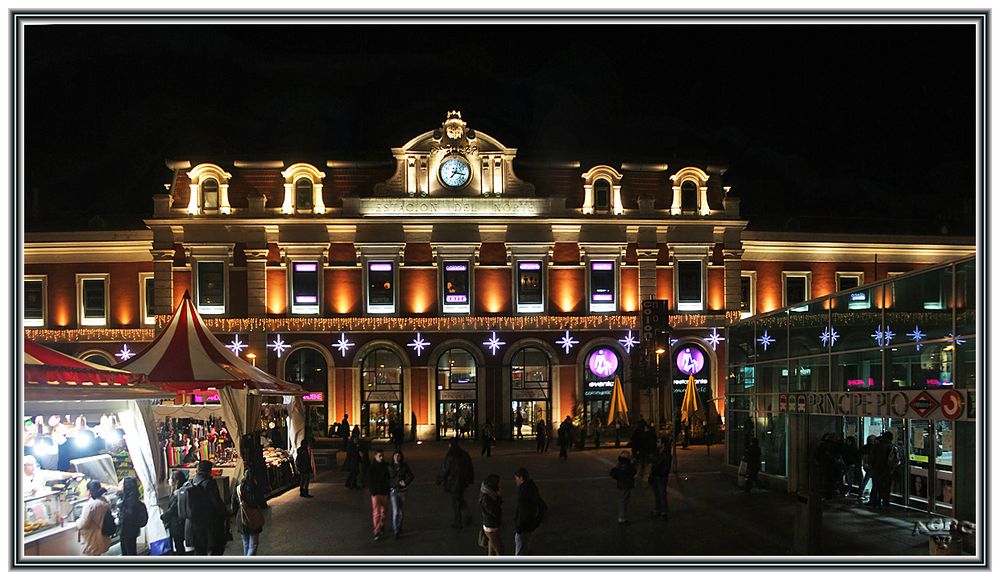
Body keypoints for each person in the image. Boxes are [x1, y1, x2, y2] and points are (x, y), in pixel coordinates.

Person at [184, 460, 229, 556]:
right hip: (208, 525)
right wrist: (226, 514)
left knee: (200, 552)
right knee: (216, 550)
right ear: (209, 470)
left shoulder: (190, 482)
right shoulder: (209, 483)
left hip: (191, 525)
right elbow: (217, 503)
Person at [436, 438, 475, 529]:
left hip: (453, 482)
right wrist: (470, 479)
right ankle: (465, 515)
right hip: (463, 482)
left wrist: (439, 479)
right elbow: (470, 467)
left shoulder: (450, 455)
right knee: (460, 498)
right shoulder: (464, 454)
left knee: (456, 502)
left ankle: (459, 521)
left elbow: (445, 469)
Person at [230, 470, 267, 555]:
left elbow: (233, 507)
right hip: (254, 517)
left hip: (241, 517)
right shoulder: (256, 489)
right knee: (253, 544)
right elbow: (263, 504)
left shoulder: (238, 489)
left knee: (246, 543)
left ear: (243, 476)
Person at [513, 467, 545, 555]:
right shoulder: (532, 487)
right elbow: (542, 506)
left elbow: (524, 512)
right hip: (530, 526)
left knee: (520, 550)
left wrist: (519, 527)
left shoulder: (523, 491)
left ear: (521, 478)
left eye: (516, 478)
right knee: (526, 547)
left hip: (524, 527)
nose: (515, 481)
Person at [77, 480, 113, 556]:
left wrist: (77, 521)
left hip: (92, 540)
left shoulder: (90, 505)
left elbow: (83, 524)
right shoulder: (106, 501)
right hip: (102, 538)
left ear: (89, 491)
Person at [160, 470, 189, 555]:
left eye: (170, 478)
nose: (168, 480)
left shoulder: (179, 493)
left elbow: (173, 509)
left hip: (178, 522)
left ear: (176, 481)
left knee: (178, 544)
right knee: (178, 544)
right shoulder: (177, 491)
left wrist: (163, 516)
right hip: (178, 522)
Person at [117, 476, 147, 555]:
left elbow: (127, 516)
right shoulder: (132, 498)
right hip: (131, 531)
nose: (119, 485)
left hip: (128, 531)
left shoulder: (130, 502)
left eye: (121, 484)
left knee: (129, 552)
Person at [388, 450, 414, 538]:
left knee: (401, 511)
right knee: (395, 512)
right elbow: (388, 478)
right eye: (395, 455)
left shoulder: (404, 466)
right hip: (394, 490)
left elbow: (411, 476)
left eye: (398, 456)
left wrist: (405, 482)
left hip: (402, 491)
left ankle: (399, 527)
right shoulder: (390, 466)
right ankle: (396, 530)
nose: (397, 457)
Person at [368, 449, 391, 541]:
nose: (381, 457)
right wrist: (372, 491)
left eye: (382, 456)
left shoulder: (386, 466)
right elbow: (369, 480)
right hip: (376, 492)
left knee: (384, 512)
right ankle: (376, 531)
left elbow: (389, 478)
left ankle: (381, 525)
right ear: (375, 456)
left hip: (384, 491)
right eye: (379, 456)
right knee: (376, 512)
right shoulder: (372, 467)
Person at [479, 474, 503, 556]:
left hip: (491, 525)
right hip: (491, 526)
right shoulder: (486, 498)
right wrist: (499, 497)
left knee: (492, 546)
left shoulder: (489, 494)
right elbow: (494, 511)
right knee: (500, 550)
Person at [610, 452, 636, 525]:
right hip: (626, 485)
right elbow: (633, 472)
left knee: (622, 500)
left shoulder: (620, 465)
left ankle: (622, 517)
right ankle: (622, 518)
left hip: (621, 485)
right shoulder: (627, 466)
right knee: (623, 501)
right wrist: (632, 464)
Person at [649, 437, 672, 518]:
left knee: (661, 494)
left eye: (658, 442)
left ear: (663, 444)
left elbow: (665, 467)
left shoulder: (666, 454)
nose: (656, 443)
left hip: (660, 476)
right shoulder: (658, 452)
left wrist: (661, 473)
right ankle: (658, 509)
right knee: (657, 494)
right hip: (656, 475)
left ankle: (663, 511)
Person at [858, 434, 877, 502]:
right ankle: (871, 496)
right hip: (871, 466)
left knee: (865, 480)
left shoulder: (864, 447)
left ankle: (860, 494)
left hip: (867, 466)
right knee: (872, 481)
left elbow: (862, 456)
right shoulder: (873, 448)